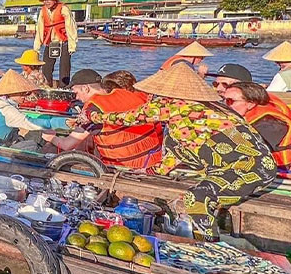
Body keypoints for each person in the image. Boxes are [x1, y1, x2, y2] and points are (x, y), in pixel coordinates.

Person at [88, 64, 277, 241]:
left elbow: (130, 117)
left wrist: (92, 116)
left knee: (196, 198)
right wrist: (149, 172)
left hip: (249, 167)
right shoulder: (203, 109)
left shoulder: (174, 105)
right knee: (195, 193)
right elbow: (174, 154)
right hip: (251, 167)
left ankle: (209, 248)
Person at [42, 69, 163, 170]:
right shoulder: (134, 94)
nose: (76, 97)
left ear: (86, 88)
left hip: (123, 167)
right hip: (153, 162)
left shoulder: (95, 107)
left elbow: (67, 145)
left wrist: (51, 138)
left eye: (76, 92)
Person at [223, 82, 291, 183]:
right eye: (224, 100)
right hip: (276, 177)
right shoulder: (257, 112)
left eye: (230, 101)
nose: (226, 105)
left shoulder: (269, 124)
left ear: (251, 103)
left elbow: (241, 151)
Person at [32, 0, 78, 86]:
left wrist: (72, 45)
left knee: (64, 67)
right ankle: (46, 86)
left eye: (49, 0)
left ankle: (64, 87)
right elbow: (40, 29)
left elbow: (71, 27)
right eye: (45, 0)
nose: (46, 2)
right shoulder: (42, 11)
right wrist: (36, 48)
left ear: (55, 0)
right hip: (50, 42)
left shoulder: (63, 9)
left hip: (64, 41)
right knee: (46, 67)